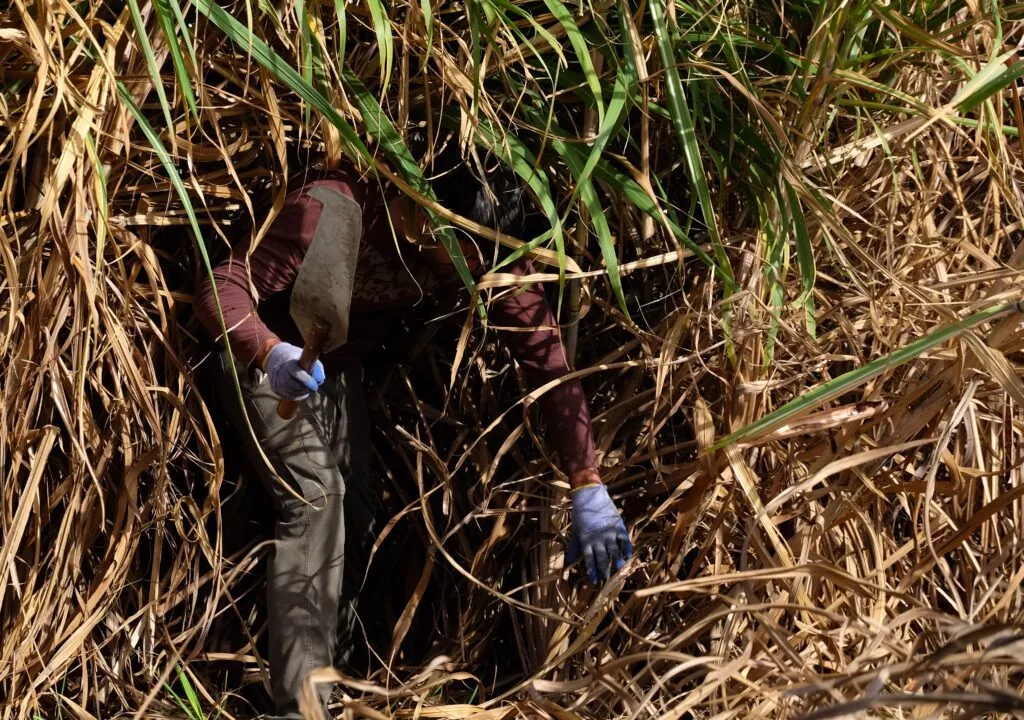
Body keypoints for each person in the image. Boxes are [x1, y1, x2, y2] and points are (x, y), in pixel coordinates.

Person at [193, 134, 634, 718]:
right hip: (266, 364)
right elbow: (221, 285)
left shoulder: (477, 242)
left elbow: (542, 353)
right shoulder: (330, 212)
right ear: (426, 211)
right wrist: (270, 351)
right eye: (462, 247)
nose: (472, 267)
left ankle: (330, 673)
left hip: (336, 372)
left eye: (481, 253)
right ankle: (301, 706)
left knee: (358, 512)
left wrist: (586, 478)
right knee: (316, 495)